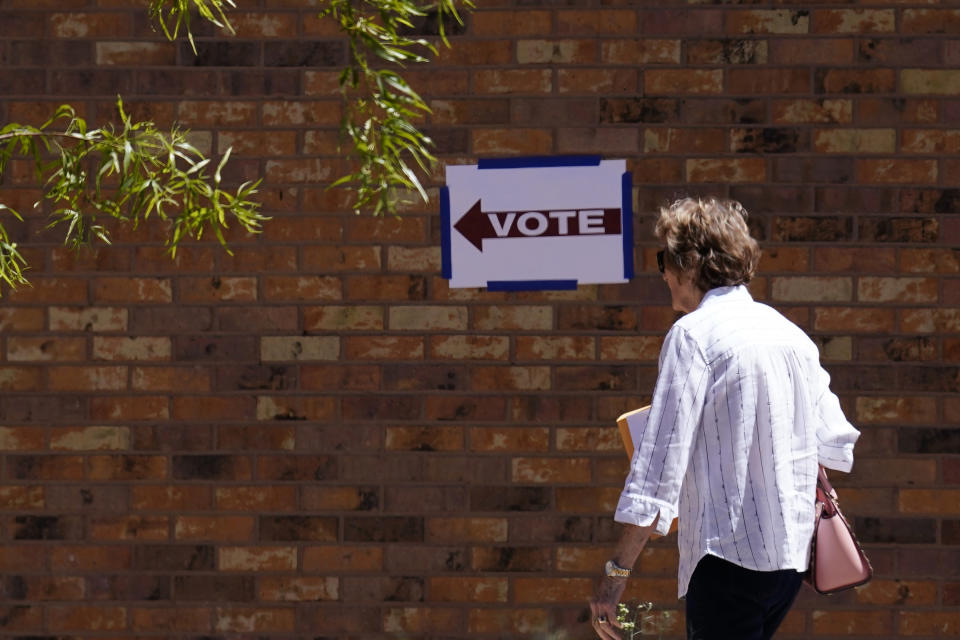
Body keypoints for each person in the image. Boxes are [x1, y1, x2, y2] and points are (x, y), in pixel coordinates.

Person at [588, 197, 860, 640]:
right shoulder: (790, 335)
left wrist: (616, 574)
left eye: (664, 259)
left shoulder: (693, 337)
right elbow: (833, 442)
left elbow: (658, 469)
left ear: (689, 264)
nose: (661, 273)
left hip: (725, 556)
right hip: (788, 558)